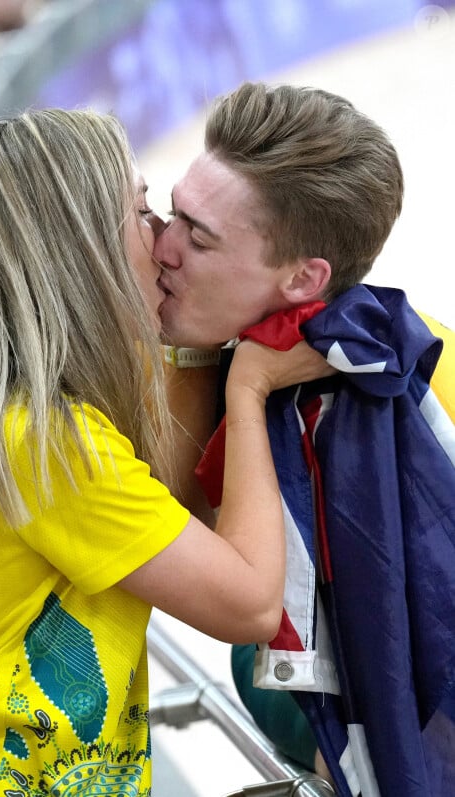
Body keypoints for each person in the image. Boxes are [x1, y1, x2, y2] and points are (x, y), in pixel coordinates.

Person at [0, 107, 331, 796]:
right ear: (82, 247)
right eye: (143, 211)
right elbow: (250, 604)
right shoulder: (47, 439)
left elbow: (161, 508)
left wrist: (196, 335)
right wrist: (251, 385)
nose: (161, 241)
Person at [155, 81, 455, 796]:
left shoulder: (410, 384)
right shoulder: (229, 351)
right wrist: (205, 357)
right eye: (170, 214)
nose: (162, 248)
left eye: (198, 237)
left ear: (304, 279)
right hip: (293, 692)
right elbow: (181, 509)